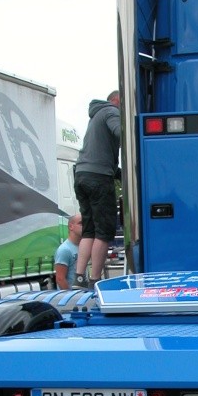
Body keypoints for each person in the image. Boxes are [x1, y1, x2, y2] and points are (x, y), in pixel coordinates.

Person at [73, 90, 121, 287]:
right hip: (99, 180)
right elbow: (121, 132)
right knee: (103, 232)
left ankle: (79, 277)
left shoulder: (95, 116)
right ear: (118, 100)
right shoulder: (111, 111)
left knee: (89, 231)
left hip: (81, 176)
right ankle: (95, 280)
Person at [53, 213, 83, 289]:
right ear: (70, 226)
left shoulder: (83, 247)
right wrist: (70, 298)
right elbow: (60, 279)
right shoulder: (64, 250)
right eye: (81, 223)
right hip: (73, 297)